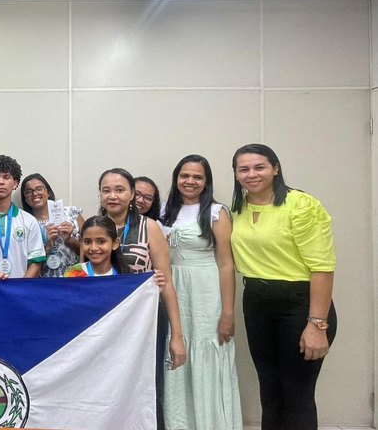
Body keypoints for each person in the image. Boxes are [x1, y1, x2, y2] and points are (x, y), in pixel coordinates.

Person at [230, 143, 336, 430]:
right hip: (257, 303)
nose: (252, 174)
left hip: (300, 305)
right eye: (244, 169)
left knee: (297, 394)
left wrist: (317, 324)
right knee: (270, 391)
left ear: (275, 168)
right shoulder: (237, 209)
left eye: (259, 167)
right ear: (236, 174)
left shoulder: (300, 204)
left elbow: (322, 267)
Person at [98, 167, 186, 429]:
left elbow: (166, 283)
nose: (112, 196)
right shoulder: (94, 226)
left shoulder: (149, 227)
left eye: (119, 190)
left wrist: (177, 336)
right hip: (105, 321)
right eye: (106, 190)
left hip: (145, 321)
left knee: (147, 387)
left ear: (132, 194)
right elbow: (85, 275)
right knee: (105, 386)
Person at [159, 155, 242, 429]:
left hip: (206, 293)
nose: (190, 181)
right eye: (185, 175)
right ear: (176, 178)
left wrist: (228, 313)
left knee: (206, 351)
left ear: (206, 182)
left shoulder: (217, 212)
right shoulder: (164, 211)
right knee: (176, 348)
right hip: (173, 288)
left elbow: (227, 264)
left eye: (197, 177)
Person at [0, 155, 45, 278]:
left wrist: (20, 287)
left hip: (19, 288)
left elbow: (35, 263)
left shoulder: (29, 221)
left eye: (6, 177)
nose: (1, 182)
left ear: (15, 183)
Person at [20, 173, 84, 277]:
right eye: (28, 191)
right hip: (44, 283)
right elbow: (22, 264)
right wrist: (47, 246)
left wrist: (69, 240)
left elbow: (89, 252)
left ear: (48, 192)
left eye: (39, 189)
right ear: (25, 199)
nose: (35, 193)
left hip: (74, 280)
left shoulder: (71, 213)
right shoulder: (25, 224)